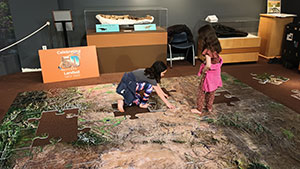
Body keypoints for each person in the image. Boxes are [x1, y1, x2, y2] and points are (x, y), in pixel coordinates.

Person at [191, 24, 223, 115]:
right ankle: (209, 107)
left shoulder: (208, 50)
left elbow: (208, 65)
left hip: (209, 73)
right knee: (212, 91)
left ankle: (199, 109)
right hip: (216, 72)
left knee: (202, 90)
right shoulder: (216, 45)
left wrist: (204, 70)